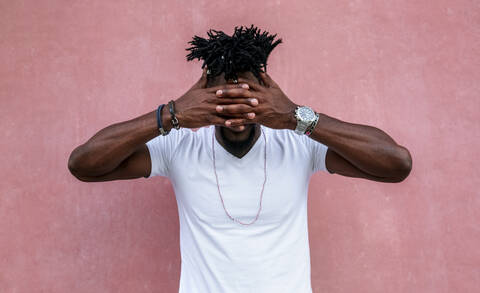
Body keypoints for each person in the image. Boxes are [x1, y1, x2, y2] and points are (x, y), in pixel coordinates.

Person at [68, 25, 412, 293]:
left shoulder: (298, 142)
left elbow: (396, 164)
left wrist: (296, 116)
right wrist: (170, 114)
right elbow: (83, 165)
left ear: (265, 91)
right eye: (222, 96)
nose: (235, 109)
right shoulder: (179, 147)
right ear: (202, 97)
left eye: (247, 96)